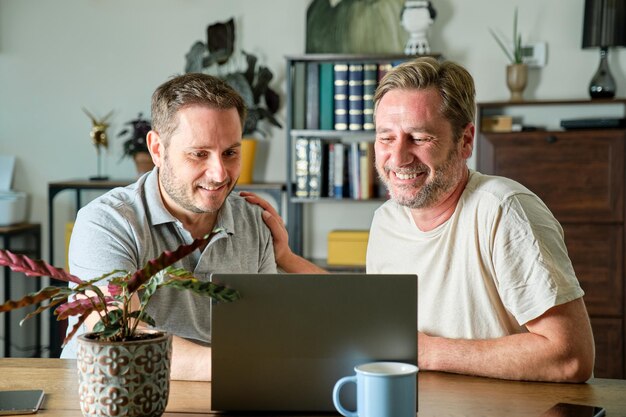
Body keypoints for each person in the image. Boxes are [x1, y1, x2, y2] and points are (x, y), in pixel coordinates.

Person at [243, 57, 595, 382]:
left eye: (420, 137)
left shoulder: (503, 210)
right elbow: (372, 314)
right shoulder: (387, 220)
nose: (397, 157)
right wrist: (286, 259)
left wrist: (427, 351)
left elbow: (570, 357)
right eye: (386, 138)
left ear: (465, 141)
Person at [60, 73, 277, 381]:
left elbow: (268, 330)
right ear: (157, 149)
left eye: (230, 152)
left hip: (220, 394)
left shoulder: (253, 222)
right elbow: (120, 340)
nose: (219, 174)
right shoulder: (106, 222)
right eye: (199, 154)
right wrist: (242, 365)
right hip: (116, 398)